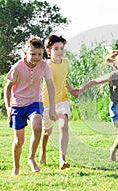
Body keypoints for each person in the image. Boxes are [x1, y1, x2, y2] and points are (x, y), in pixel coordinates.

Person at [75, 49, 118, 170]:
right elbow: (94, 81)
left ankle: (113, 150)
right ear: (115, 64)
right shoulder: (112, 76)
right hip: (117, 108)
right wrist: (80, 90)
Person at [4, 37, 57, 176]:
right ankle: (16, 167)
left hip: (35, 102)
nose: (36, 57)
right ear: (25, 53)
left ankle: (31, 158)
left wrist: (52, 108)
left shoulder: (44, 66)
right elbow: (7, 88)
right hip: (17, 105)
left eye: (40, 54)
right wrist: (8, 107)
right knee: (19, 141)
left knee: (37, 127)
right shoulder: (17, 68)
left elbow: (50, 85)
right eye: (33, 54)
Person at [39, 34, 76, 170]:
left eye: (61, 48)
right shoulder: (46, 65)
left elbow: (63, 79)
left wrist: (71, 90)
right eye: (56, 49)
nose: (60, 51)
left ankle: (62, 159)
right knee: (47, 131)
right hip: (47, 103)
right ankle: (43, 150)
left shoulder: (65, 63)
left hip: (62, 100)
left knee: (63, 126)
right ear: (49, 51)